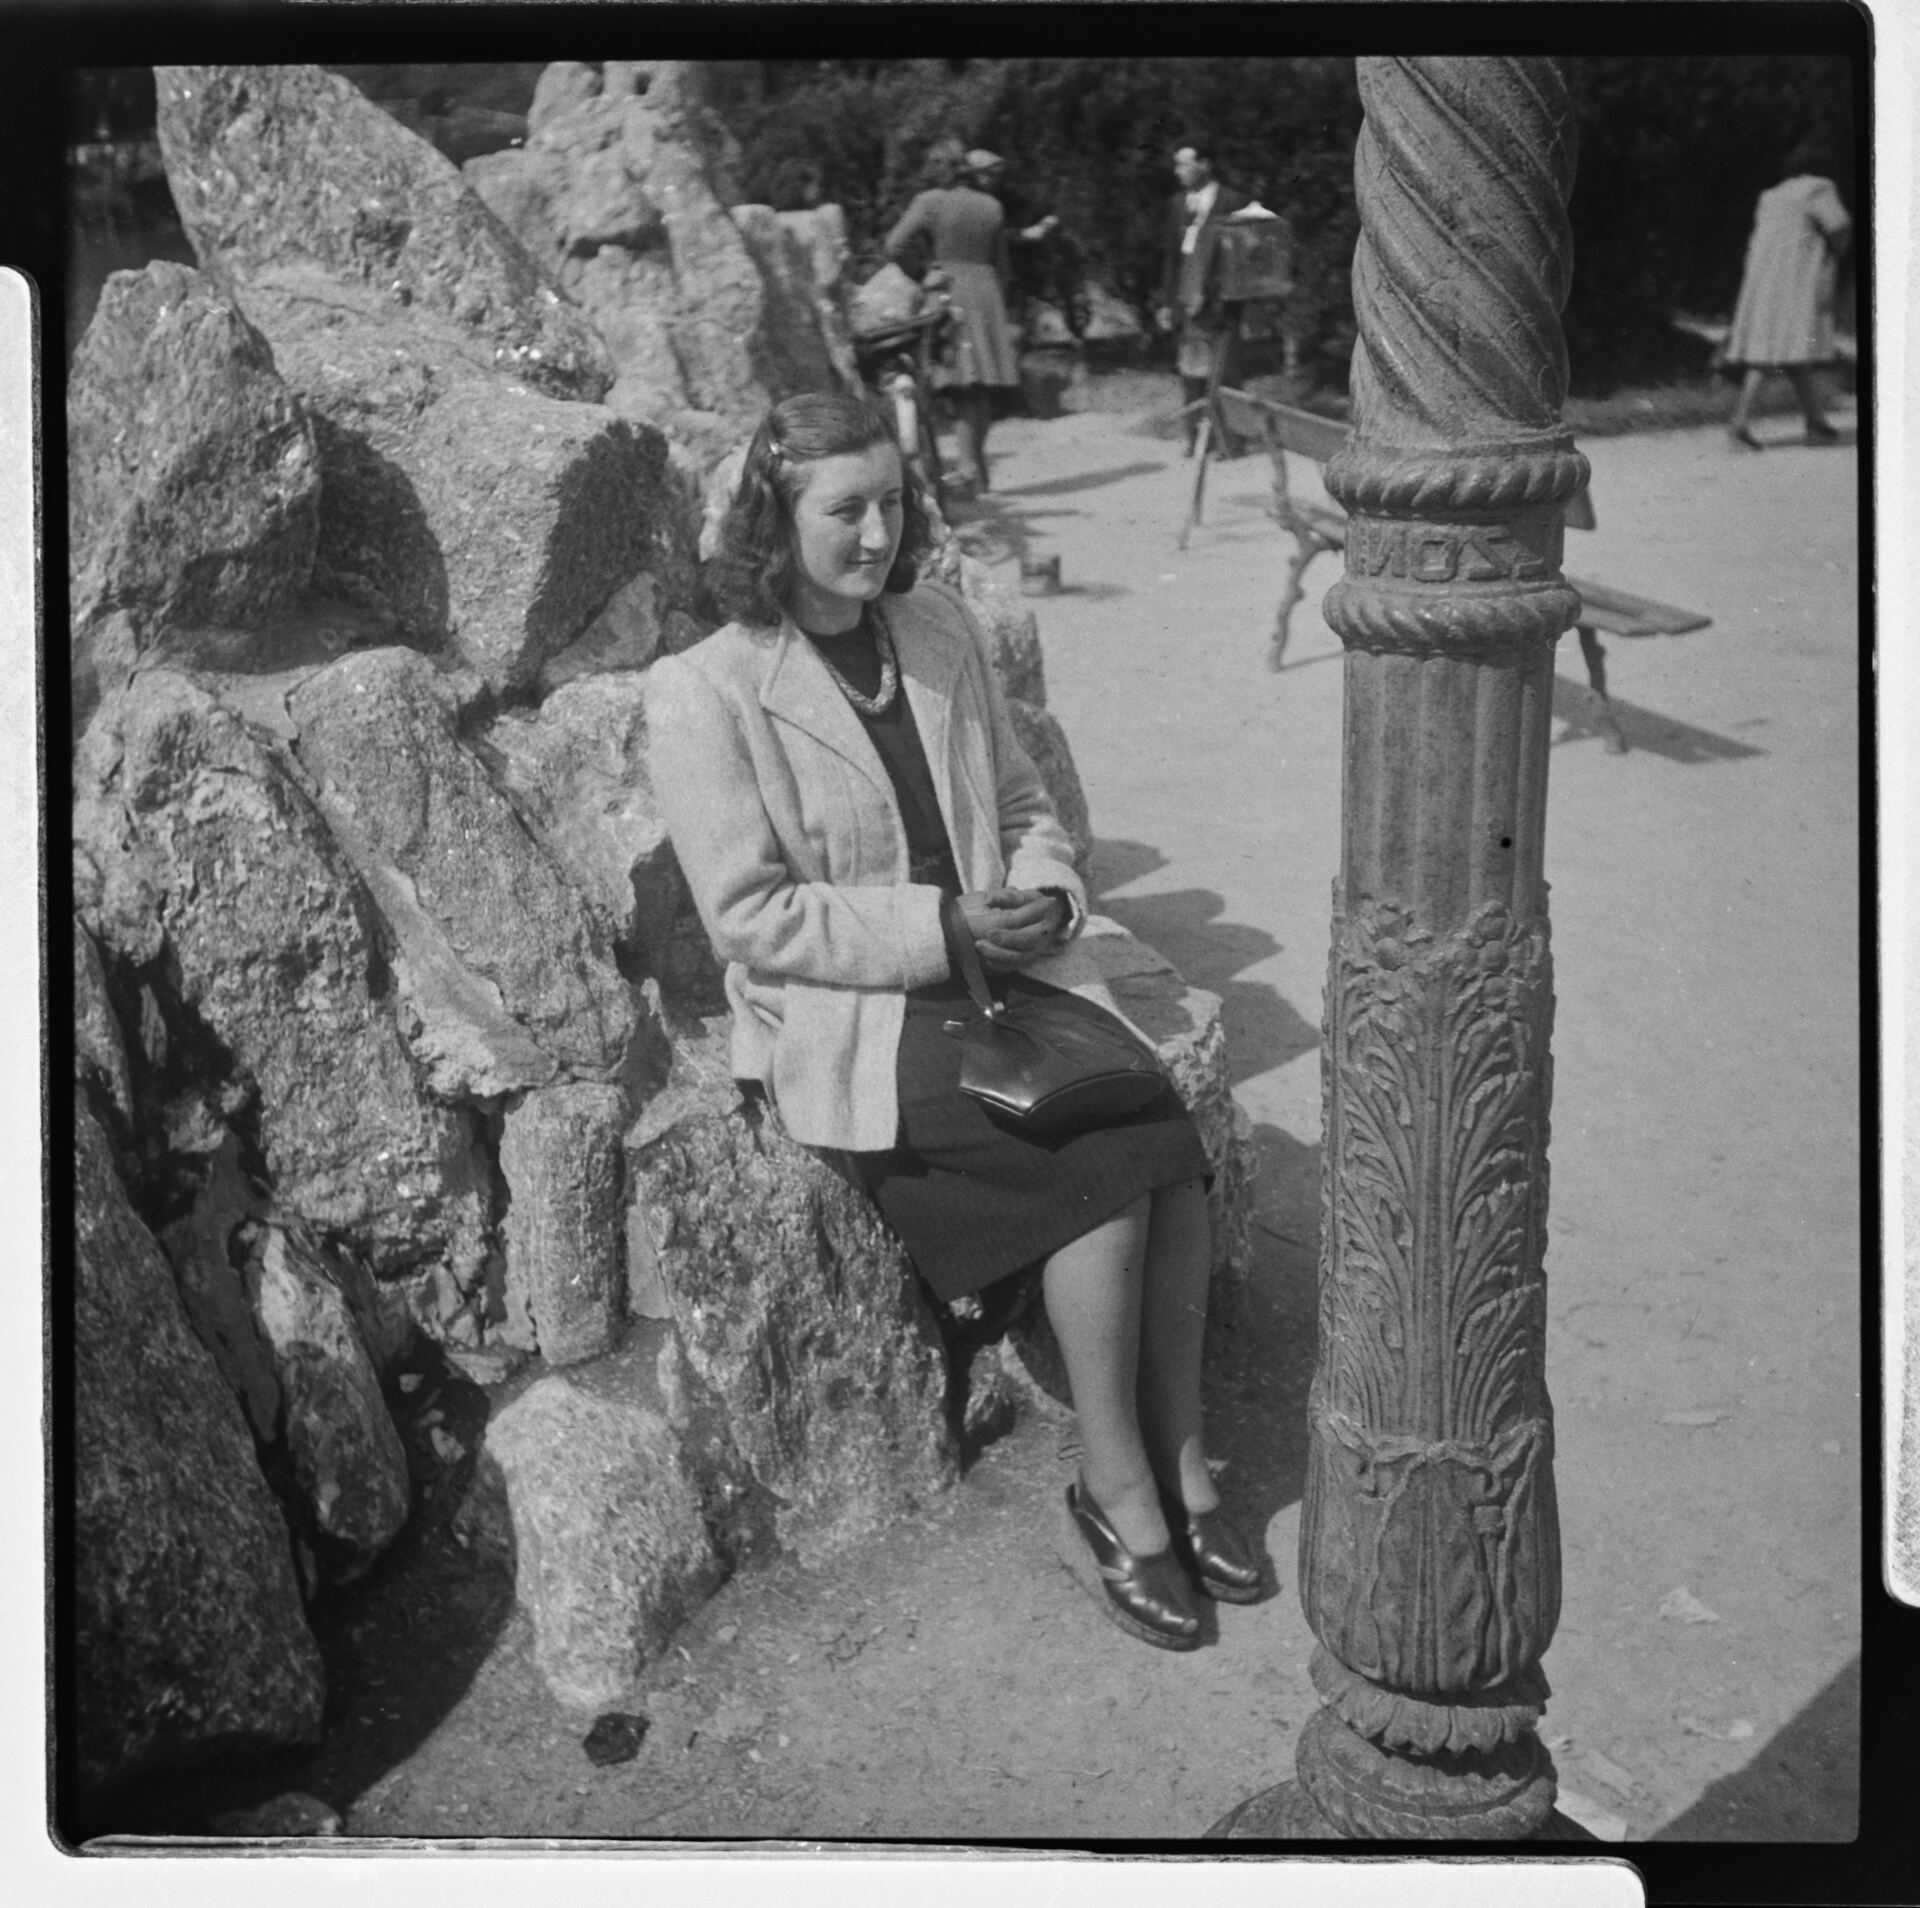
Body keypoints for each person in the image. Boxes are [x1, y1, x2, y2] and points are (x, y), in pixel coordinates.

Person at [648, 392, 1261, 1651]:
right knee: (1104, 1169)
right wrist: (942, 928)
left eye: (892, 501)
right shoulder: (705, 688)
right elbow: (750, 917)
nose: (878, 535)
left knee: (1168, 1147)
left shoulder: (935, 628)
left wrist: (1047, 893)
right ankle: (1115, 1495)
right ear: (773, 521)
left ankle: (1182, 1464)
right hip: (862, 1013)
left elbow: (1028, 805)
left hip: (1005, 970)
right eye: (845, 511)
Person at [884, 139, 1021, 490]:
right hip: (987, 291)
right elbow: (1004, 265)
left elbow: (894, 244)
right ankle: (977, 469)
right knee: (980, 386)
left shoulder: (929, 201)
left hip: (949, 290)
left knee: (961, 386)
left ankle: (968, 470)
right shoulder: (991, 205)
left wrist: (921, 273)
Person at [1722, 138, 1852, 450]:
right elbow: (1840, 225)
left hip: (1766, 281)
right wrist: (1837, 257)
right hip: (1799, 279)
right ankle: (1740, 423)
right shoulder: (1819, 188)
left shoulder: (1772, 196)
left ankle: (1817, 424)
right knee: (1773, 352)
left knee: (1790, 351)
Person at [1157, 139, 1251, 457]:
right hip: (1186, 300)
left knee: (1225, 372)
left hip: (1220, 303)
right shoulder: (1176, 204)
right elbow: (1172, 259)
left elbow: (1242, 258)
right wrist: (1168, 302)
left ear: (1205, 164)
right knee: (1191, 371)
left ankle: (1230, 442)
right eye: (1177, 164)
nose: (1178, 171)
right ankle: (1198, 440)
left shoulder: (1233, 201)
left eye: (1184, 163)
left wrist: (1216, 293)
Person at [768, 157, 859, 389]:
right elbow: (828, 275)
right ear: (803, 187)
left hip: (786, 323)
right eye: (815, 185)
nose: (818, 191)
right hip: (820, 319)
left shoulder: (772, 223)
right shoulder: (814, 221)